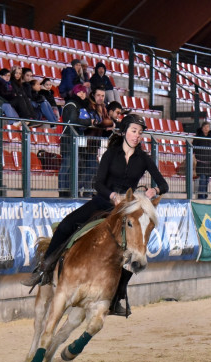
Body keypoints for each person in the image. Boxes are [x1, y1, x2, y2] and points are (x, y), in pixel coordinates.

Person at [34, 114, 169, 316]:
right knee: (64, 226)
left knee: (133, 253)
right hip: (103, 202)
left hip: (124, 210)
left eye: (140, 133)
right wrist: (113, 195)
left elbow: (164, 185)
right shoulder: (111, 154)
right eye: (134, 131)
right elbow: (97, 183)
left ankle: (117, 297)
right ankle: (45, 267)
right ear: (124, 132)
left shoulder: (144, 159)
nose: (137, 136)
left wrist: (154, 191)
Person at [58, 84, 94, 198]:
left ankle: (71, 190)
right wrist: (88, 122)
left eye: (84, 92)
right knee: (67, 166)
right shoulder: (72, 104)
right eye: (79, 92)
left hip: (77, 140)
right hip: (69, 140)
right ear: (75, 93)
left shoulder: (80, 105)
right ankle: (63, 191)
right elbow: (74, 120)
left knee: (76, 167)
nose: (82, 94)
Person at [82, 86, 114, 196]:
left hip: (95, 144)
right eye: (98, 95)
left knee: (92, 169)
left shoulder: (103, 108)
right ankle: (83, 191)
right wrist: (108, 124)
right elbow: (99, 123)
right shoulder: (88, 106)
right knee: (89, 168)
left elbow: (106, 123)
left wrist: (110, 125)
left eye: (103, 96)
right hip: (86, 142)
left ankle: (86, 191)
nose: (101, 98)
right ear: (93, 95)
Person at [193, 122, 211, 199]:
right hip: (201, 162)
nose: (206, 128)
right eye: (205, 127)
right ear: (202, 128)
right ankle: (201, 196)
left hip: (208, 163)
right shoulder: (198, 137)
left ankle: (205, 195)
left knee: (206, 181)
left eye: (208, 127)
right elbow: (194, 147)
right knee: (202, 179)